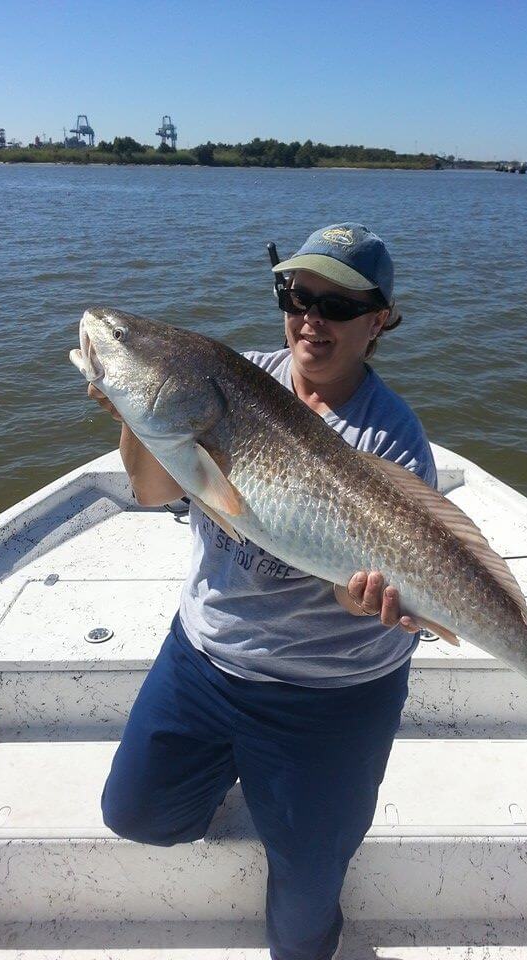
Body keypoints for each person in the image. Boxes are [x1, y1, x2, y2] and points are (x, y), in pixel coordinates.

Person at [91, 223, 437, 960]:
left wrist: (364, 599)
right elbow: (154, 491)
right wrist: (133, 416)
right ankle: (232, 765)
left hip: (328, 696)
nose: (311, 318)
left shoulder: (393, 439)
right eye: (297, 294)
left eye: (338, 306)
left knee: (303, 915)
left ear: (380, 321)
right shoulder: (232, 381)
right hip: (205, 661)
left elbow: (374, 606)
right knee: (136, 815)